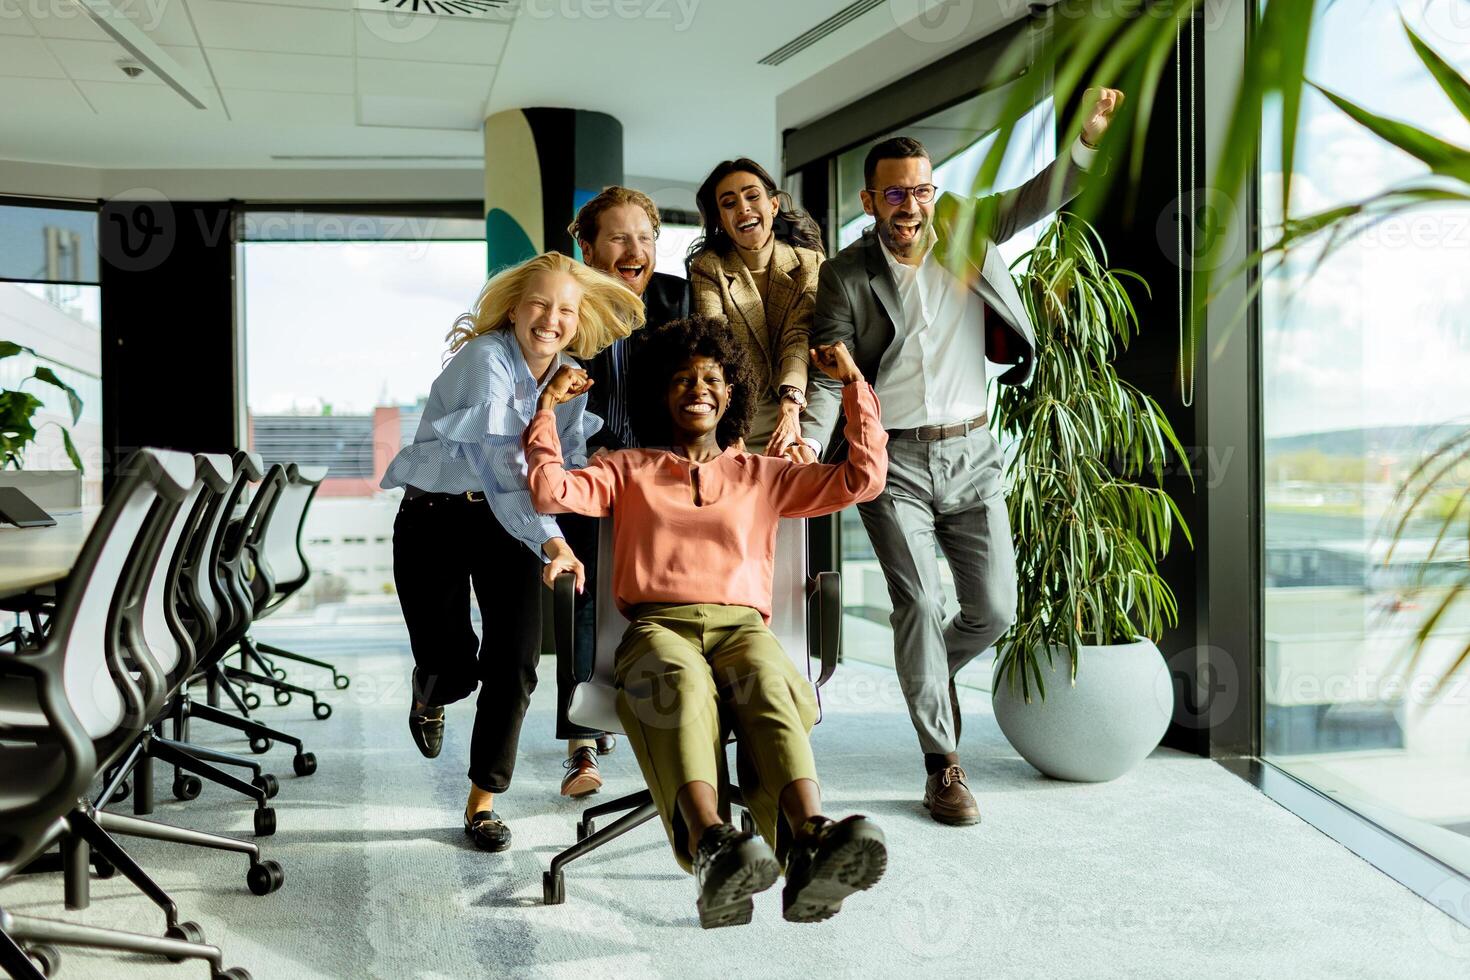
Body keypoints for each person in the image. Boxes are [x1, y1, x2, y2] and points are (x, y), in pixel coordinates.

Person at [803, 87, 1124, 827]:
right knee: (917, 602)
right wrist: (806, 441)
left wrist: (1086, 141)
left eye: (920, 190)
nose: (908, 205)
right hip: (896, 463)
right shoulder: (847, 273)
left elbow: (1045, 193)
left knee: (994, 609)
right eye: (894, 193)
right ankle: (943, 767)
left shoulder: (968, 228)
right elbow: (830, 368)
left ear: (933, 193)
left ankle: (925, 673)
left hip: (976, 453)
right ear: (870, 199)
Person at [525, 316, 889, 928]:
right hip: (658, 629)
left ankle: (812, 839)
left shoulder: (765, 475)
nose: (697, 388)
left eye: (712, 378)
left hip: (742, 628)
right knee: (677, 683)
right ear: (660, 395)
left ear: (731, 394)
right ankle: (713, 845)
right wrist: (544, 408)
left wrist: (852, 384)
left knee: (770, 682)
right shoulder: (627, 468)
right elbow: (547, 490)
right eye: (682, 379)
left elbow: (863, 478)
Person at [381, 251, 644, 851]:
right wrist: (551, 538)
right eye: (539, 304)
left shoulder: (570, 377)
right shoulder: (485, 358)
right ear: (514, 307)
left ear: (580, 320)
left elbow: (561, 461)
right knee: (456, 667)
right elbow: (502, 465)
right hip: (436, 517)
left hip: (508, 527)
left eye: (566, 310)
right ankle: (432, 687)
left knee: (515, 663)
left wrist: (602, 477)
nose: (550, 319)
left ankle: (482, 802)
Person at [555, 186, 692, 796]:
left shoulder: (678, 300)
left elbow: (706, 386)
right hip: (587, 477)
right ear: (587, 246)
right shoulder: (565, 306)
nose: (634, 250)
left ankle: (667, 719)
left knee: (666, 601)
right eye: (618, 237)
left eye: (646, 237)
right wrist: (588, 449)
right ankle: (580, 745)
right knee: (582, 603)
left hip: (662, 484)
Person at [687, 159, 824, 461]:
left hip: (795, 408)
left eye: (752, 196)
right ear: (721, 219)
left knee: (791, 504)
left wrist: (790, 407)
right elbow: (717, 346)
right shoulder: (709, 268)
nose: (743, 209)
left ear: (773, 205)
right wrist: (732, 429)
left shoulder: (809, 263)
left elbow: (798, 336)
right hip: (734, 415)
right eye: (729, 203)